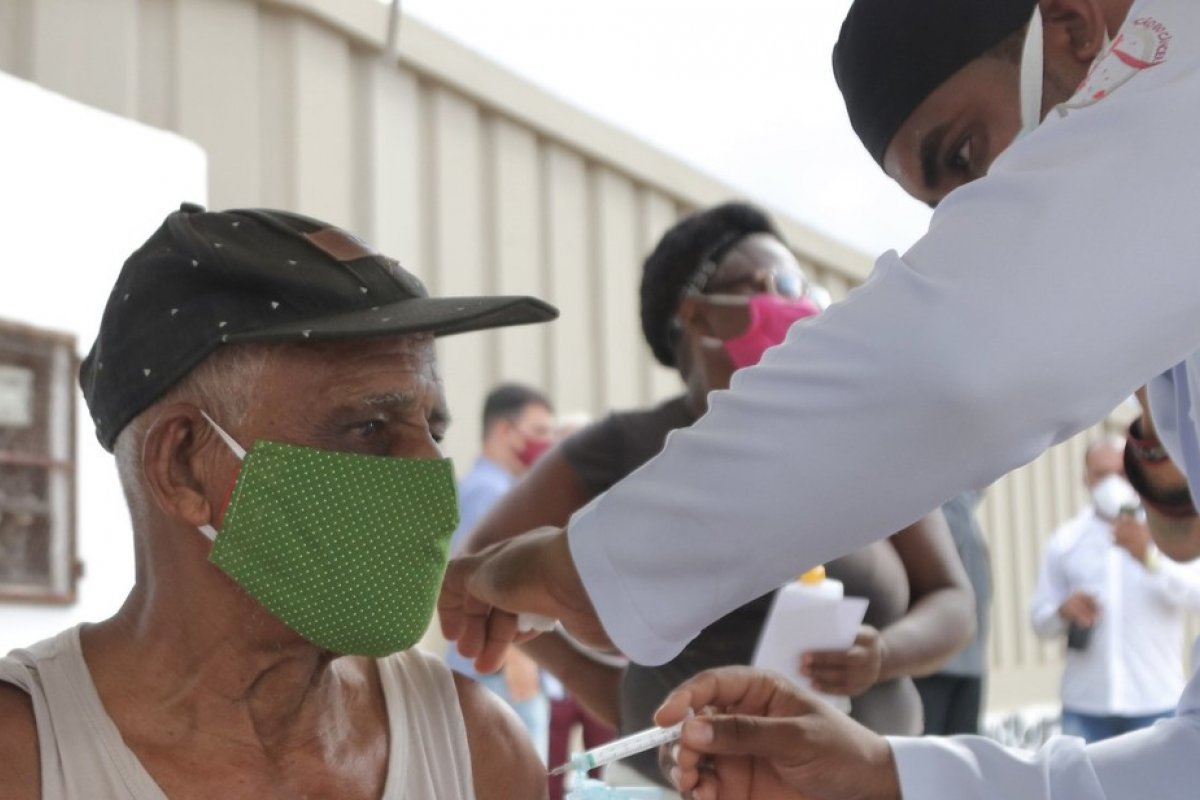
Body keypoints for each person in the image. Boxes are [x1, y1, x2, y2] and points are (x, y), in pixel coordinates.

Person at [439, 0, 1200, 797]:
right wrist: (885, 774)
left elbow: (955, 368)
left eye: (967, 153)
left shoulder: (1174, 82)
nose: (983, 216)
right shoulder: (634, 444)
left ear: (1077, 27)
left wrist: (591, 571)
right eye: (945, 208)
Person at [0, 204, 557, 799]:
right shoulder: (24, 757)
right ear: (183, 465)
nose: (433, 481)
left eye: (434, 431)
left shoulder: (476, 750)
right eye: (369, 427)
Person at [463, 203, 975, 790]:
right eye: (775, 284)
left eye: (805, 285)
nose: (801, 302)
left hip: (865, 783)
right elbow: (480, 570)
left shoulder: (864, 439)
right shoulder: (628, 446)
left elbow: (952, 602)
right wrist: (619, 694)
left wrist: (881, 654)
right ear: (700, 315)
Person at [1030, 437, 1200, 742]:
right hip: (1086, 705)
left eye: (1121, 474)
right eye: (1101, 473)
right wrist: (1062, 610)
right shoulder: (1066, 541)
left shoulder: (1167, 536)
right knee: (1083, 791)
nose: (1112, 483)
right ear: (1085, 477)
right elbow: (1039, 621)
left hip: (1156, 701)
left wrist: (1148, 557)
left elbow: (1196, 595)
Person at [445, 382, 556, 763]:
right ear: (506, 431)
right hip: (501, 674)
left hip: (498, 670)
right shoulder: (489, 493)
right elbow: (487, 580)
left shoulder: (496, 489)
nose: (547, 443)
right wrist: (518, 657)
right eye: (540, 432)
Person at [913, 490, 993, 735]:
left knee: (962, 758)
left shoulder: (964, 505)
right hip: (932, 664)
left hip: (970, 660)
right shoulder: (944, 501)